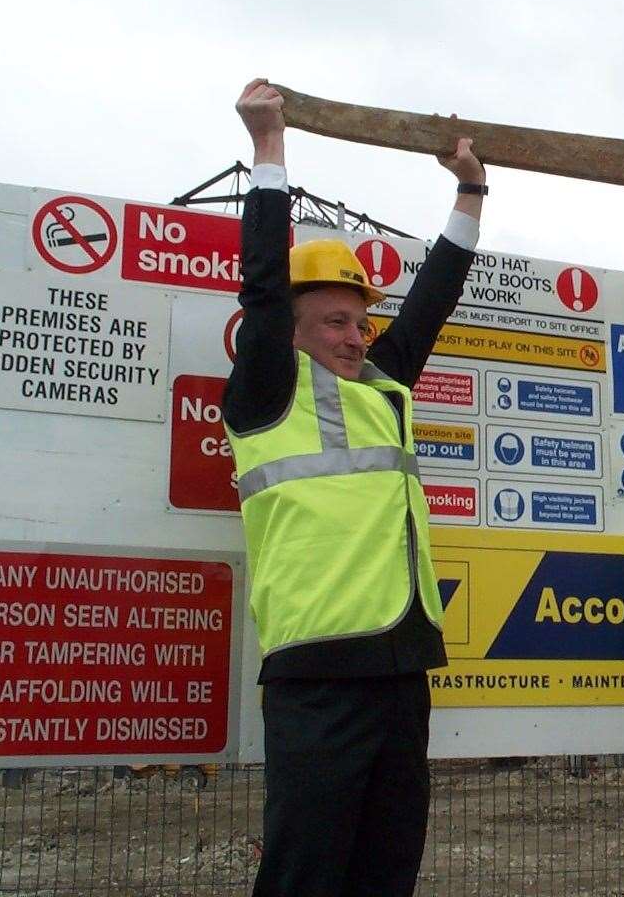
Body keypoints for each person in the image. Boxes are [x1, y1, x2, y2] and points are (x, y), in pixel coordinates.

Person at [224, 78, 487, 897]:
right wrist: (270, 150)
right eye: (334, 321)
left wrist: (470, 192)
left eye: (359, 320)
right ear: (294, 328)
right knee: (306, 875)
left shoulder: (383, 388)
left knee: (387, 872)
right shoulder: (267, 390)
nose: (354, 334)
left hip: (404, 668)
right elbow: (264, 284)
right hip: (319, 679)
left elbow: (435, 299)